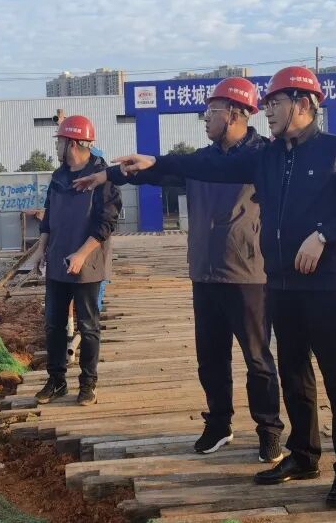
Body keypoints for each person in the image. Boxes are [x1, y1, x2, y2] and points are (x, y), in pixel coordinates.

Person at [107, 66, 336, 509]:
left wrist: (323, 235)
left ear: (303, 104)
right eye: (265, 103)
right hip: (282, 283)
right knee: (294, 374)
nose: (266, 111)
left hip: (325, 285)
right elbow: (202, 165)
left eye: (274, 103)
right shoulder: (266, 157)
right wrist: (152, 165)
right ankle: (304, 455)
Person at [75, 77, 285, 463]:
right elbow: (154, 171)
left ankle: (269, 429)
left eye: (211, 111)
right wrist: (107, 175)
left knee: (257, 358)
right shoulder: (200, 161)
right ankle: (219, 424)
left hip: (248, 274)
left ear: (235, 114)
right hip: (205, 272)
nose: (205, 118)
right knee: (211, 358)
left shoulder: (263, 157)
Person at [33, 115, 122, 406]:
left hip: (87, 265)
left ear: (71, 143)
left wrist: (81, 254)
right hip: (58, 261)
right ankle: (56, 381)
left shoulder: (102, 177)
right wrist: (40, 250)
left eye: (59, 141)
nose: (56, 147)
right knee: (53, 325)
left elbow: (107, 223)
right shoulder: (58, 177)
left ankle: (88, 384)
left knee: (88, 325)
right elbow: (48, 215)